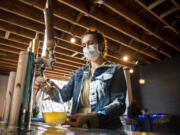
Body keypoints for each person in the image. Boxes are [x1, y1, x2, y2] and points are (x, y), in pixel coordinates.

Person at [34, 29, 127, 129]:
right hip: (79, 127)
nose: (87, 48)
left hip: (104, 128)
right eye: (84, 45)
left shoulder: (115, 70)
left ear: (101, 45)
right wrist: (48, 87)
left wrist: (91, 117)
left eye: (90, 43)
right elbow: (64, 96)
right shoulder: (79, 73)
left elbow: (119, 104)